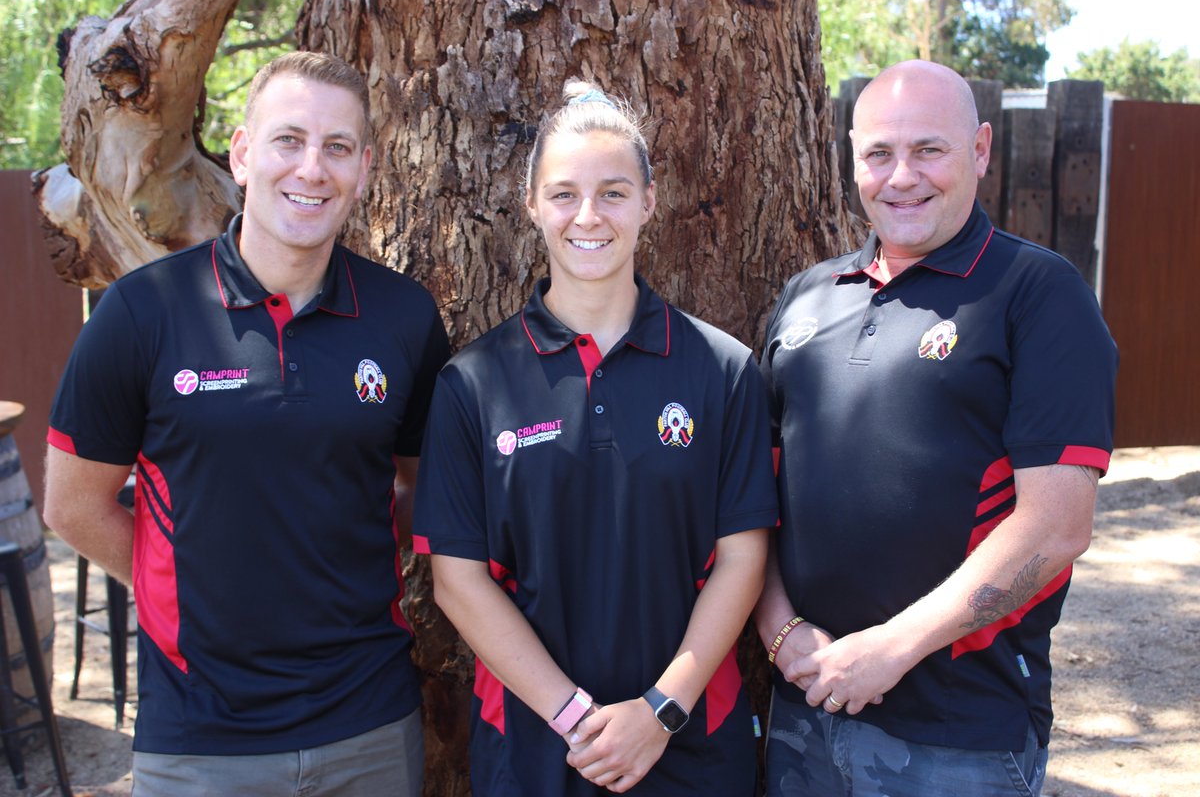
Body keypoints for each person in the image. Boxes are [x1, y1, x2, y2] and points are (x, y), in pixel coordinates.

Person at [43, 52, 448, 796]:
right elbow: (72, 505)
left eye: (336, 148)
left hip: (368, 725)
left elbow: (420, 490)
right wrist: (191, 583)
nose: (311, 169)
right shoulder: (142, 313)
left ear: (364, 167)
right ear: (241, 153)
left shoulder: (404, 317)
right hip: (200, 736)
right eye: (288, 140)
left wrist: (320, 547)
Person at [755, 60, 1117, 796]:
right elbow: (751, 500)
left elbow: (1055, 528)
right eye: (879, 154)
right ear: (850, 158)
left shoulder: (1038, 295)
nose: (902, 177)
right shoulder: (805, 300)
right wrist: (782, 634)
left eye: (929, 150)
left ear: (980, 150)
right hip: (801, 713)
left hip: (960, 738)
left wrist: (891, 650)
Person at [412, 80, 777, 795]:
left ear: (648, 201)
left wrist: (659, 711)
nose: (588, 216)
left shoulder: (723, 370)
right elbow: (458, 581)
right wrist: (576, 716)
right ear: (531, 206)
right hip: (536, 747)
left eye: (613, 192)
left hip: (693, 743)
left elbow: (743, 559)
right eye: (563, 194)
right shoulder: (473, 382)